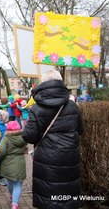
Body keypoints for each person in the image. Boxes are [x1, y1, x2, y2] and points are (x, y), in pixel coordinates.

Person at [22, 69, 84, 209]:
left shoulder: (36, 109)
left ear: (42, 84)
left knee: (48, 196)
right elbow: (80, 130)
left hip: (46, 159)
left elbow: (29, 136)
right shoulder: (72, 106)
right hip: (69, 157)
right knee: (67, 194)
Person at [0, 121, 28, 209]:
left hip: (8, 162)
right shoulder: (24, 138)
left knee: (10, 181)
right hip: (20, 162)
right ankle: (15, 204)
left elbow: (2, 151)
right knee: (18, 184)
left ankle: (12, 195)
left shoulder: (6, 138)